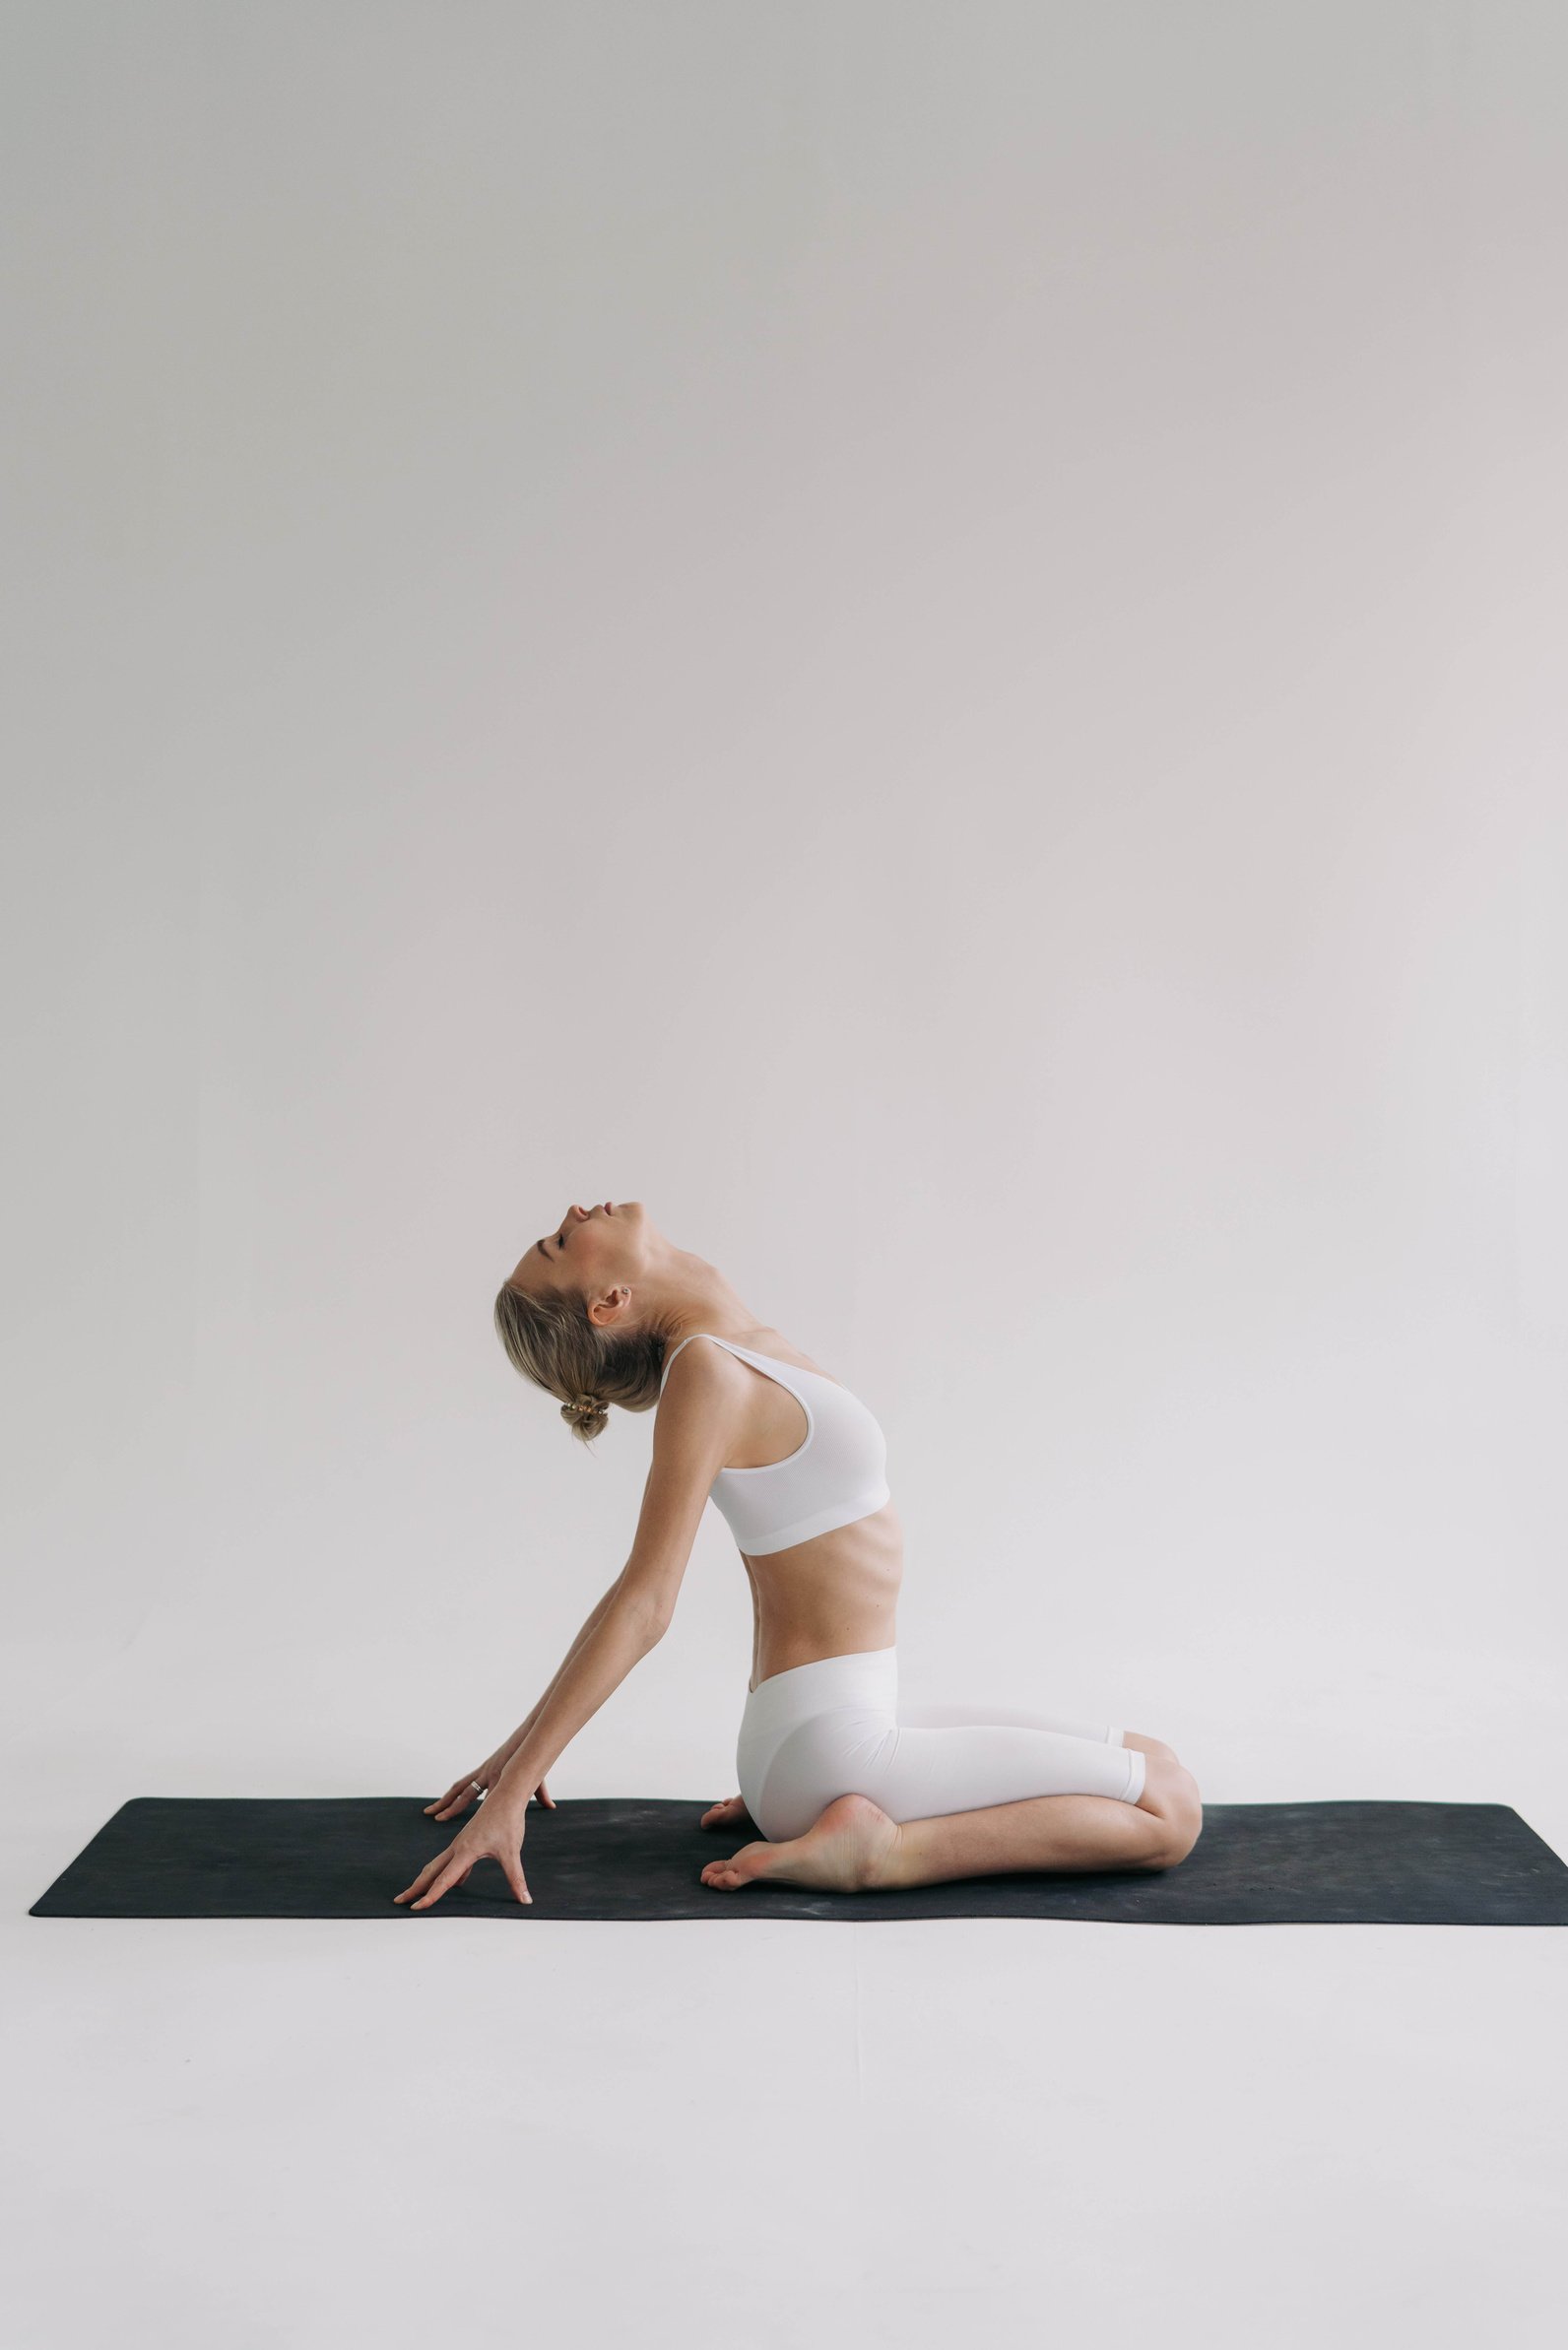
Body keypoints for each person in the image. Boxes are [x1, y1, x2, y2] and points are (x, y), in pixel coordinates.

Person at [394, 1200, 1202, 1911]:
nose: (572, 1215)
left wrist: (519, 1751)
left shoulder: (731, 1348)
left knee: (1152, 1761)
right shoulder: (707, 1372)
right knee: (1169, 1813)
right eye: (557, 1245)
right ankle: (882, 1854)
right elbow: (644, 1601)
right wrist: (511, 1787)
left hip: (833, 1728)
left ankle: (819, 1810)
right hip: (831, 1746)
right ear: (610, 1301)